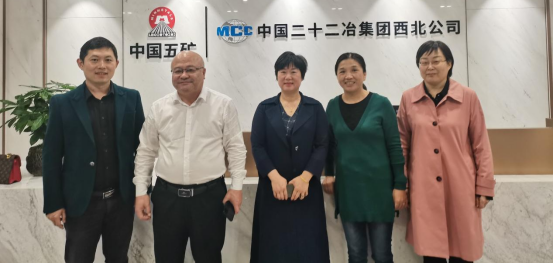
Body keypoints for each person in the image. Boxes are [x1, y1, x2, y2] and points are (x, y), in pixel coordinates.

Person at [134, 50, 247, 263]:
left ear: (203, 73)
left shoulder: (223, 104)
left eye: (190, 69)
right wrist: (141, 192)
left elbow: (236, 148)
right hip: (167, 198)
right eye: (177, 70)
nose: (183, 75)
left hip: (209, 198)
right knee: (166, 258)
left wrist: (237, 187)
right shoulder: (159, 107)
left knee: (209, 258)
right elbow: (146, 152)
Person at [42, 37, 145, 263]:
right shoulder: (62, 103)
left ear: (116, 63)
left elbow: (143, 150)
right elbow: (51, 157)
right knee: (78, 258)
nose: (102, 66)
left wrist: (142, 191)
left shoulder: (131, 98)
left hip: (121, 200)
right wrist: (53, 203)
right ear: (81, 63)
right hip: (81, 201)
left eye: (108, 60)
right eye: (95, 60)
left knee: (118, 258)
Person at [397, 40, 495, 263]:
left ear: (449, 63)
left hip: (461, 185)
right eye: (424, 62)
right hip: (423, 188)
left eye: (436, 61)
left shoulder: (468, 96)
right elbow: (402, 145)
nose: (429, 67)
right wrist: (402, 184)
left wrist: (484, 187)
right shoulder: (408, 98)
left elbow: (481, 144)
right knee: (432, 254)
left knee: (463, 251)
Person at [323, 52, 407, 263]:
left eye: (354, 70)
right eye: (342, 71)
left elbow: (395, 146)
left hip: (379, 190)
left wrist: (400, 185)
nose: (348, 76)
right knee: (356, 254)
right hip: (349, 191)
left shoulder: (381, 104)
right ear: (337, 76)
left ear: (365, 74)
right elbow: (328, 145)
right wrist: (329, 174)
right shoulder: (332, 106)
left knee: (382, 254)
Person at [250, 51, 330, 263]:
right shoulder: (264, 108)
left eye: (294, 72)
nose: (288, 76)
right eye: (283, 72)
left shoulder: (315, 108)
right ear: (276, 76)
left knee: (308, 246)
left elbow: (322, 145)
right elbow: (257, 146)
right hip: (272, 190)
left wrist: (305, 178)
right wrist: (274, 177)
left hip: (306, 189)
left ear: (302, 76)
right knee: (272, 247)